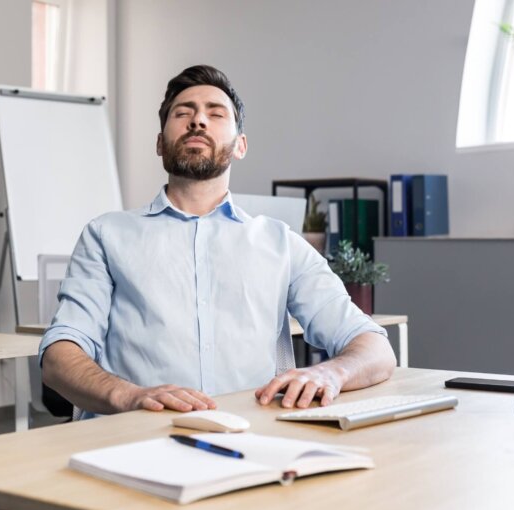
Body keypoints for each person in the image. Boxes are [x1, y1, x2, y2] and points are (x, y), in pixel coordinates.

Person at [40, 65, 395, 420]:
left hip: (249, 438)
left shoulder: (280, 243)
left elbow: (374, 346)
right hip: (133, 438)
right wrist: (130, 396)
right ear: (160, 143)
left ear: (240, 145)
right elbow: (59, 357)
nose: (198, 121)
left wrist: (330, 372)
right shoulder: (106, 235)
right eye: (183, 113)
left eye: (215, 113)